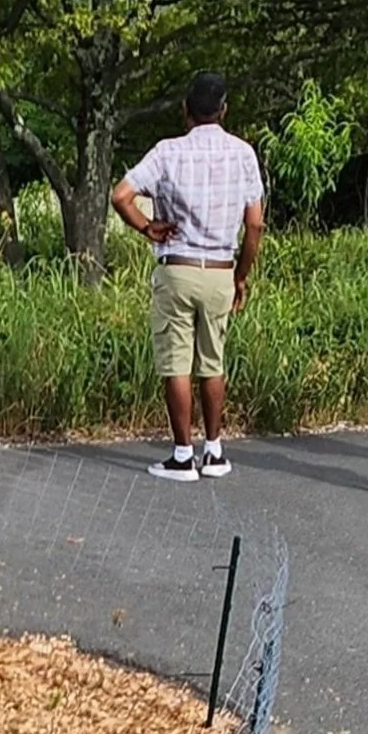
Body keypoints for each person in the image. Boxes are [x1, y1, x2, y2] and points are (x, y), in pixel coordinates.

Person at [109, 72, 267, 481]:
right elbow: (254, 225)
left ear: (185, 110)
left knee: (176, 362)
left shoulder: (167, 152)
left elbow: (120, 195)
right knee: (212, 361)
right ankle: (214, 451)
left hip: (176, 267)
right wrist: (241, 275)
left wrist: (146, 227)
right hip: (219, 269)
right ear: (224, 110)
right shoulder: (243, 154)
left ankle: (183, 454)